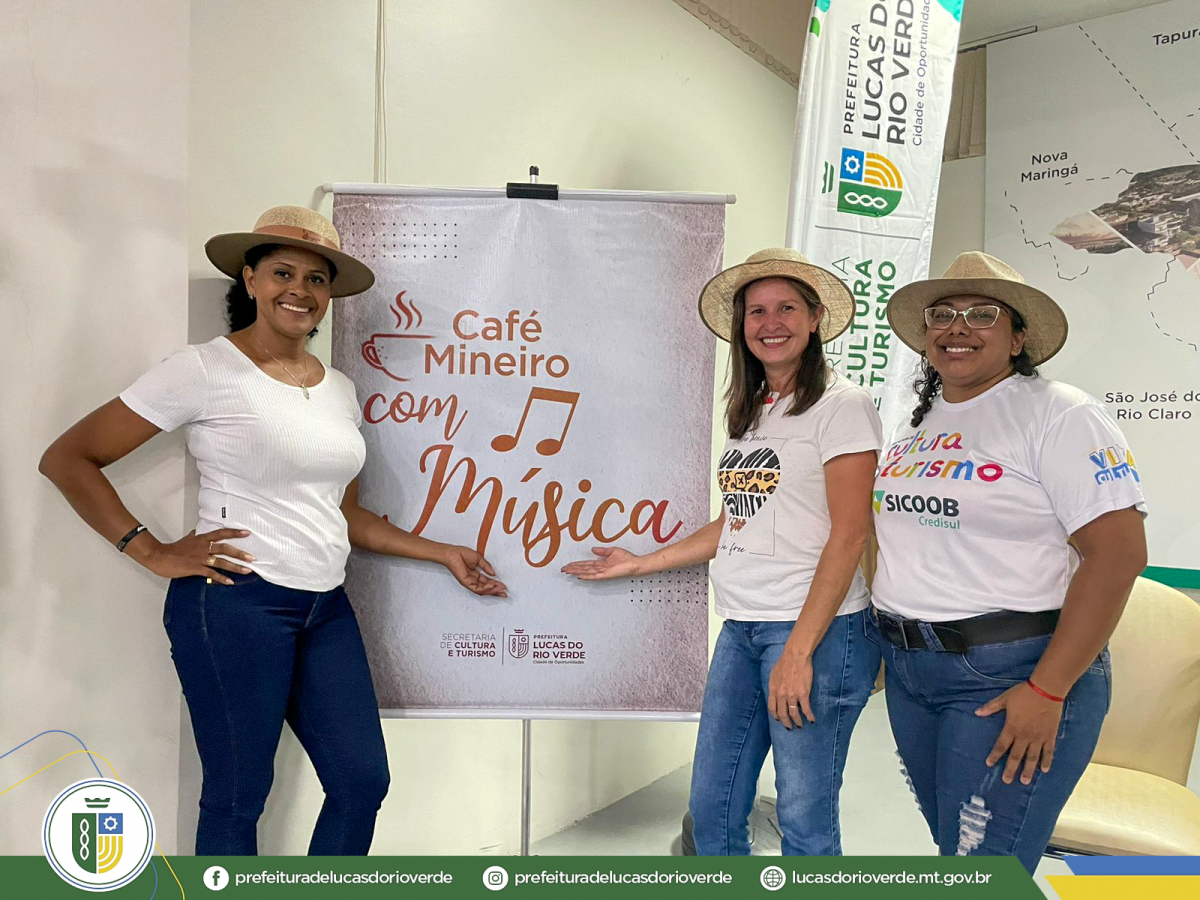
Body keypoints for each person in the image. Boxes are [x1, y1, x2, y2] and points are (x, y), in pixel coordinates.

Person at [39, 206, 506, 856]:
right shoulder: (204, 369)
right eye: (283, 272)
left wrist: (442, 552)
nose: (300, 290)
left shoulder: (339, 389)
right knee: (238, 797)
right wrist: (148, 549)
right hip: (236, 602)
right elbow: (69, 458)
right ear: (251, 279)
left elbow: (344, 514)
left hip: (324, 607)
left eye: (316, 279)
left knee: (361, 781)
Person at [563, 248, 882, 855]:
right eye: (756, 311)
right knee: (712, 808)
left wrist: (799, 651)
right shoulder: (751, 409)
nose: (771, 323)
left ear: (815, 317)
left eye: (786, 308)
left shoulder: (843, 406)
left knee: (804, 819)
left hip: (818, 633)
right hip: (742, 627)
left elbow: (850, 535)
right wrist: (641, 561)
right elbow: (735, 520)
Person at [869, 251, 1147, 872]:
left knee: (982, 870)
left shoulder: (1061, 413)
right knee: (957, 857)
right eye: (943, 314)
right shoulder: (916, 423)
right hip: (912, 673)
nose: (958, 327)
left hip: (1009, 673)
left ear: (1018, 338)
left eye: (982, 314)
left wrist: (1049, 689)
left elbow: (1119, 554)